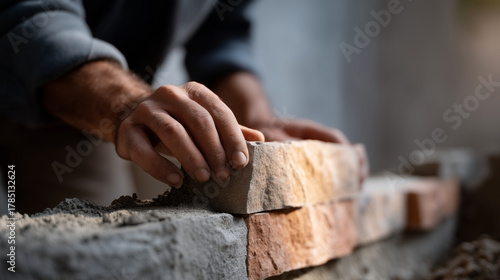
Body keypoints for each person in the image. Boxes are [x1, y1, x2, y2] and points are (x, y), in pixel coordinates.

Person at [0, 0, 367, 214]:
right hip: (66, 82)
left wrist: (258, 121)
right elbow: (26, 17)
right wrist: (124, 103)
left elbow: (222, 30)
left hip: (74, 117)